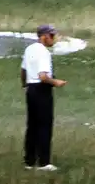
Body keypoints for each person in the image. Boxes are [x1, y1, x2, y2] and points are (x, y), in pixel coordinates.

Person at [21, 24, 67, 171]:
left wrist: (25, 86)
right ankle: (44, 162)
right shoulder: (43, 52)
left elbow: (23, 70)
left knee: (32, 126)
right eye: (52, 36)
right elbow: (43, 76)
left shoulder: (29, 49)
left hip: (31, 89)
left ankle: (29, 160)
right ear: (44, 36)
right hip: (42, 90)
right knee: (44, 126)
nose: (53, 39)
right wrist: (56, 82)